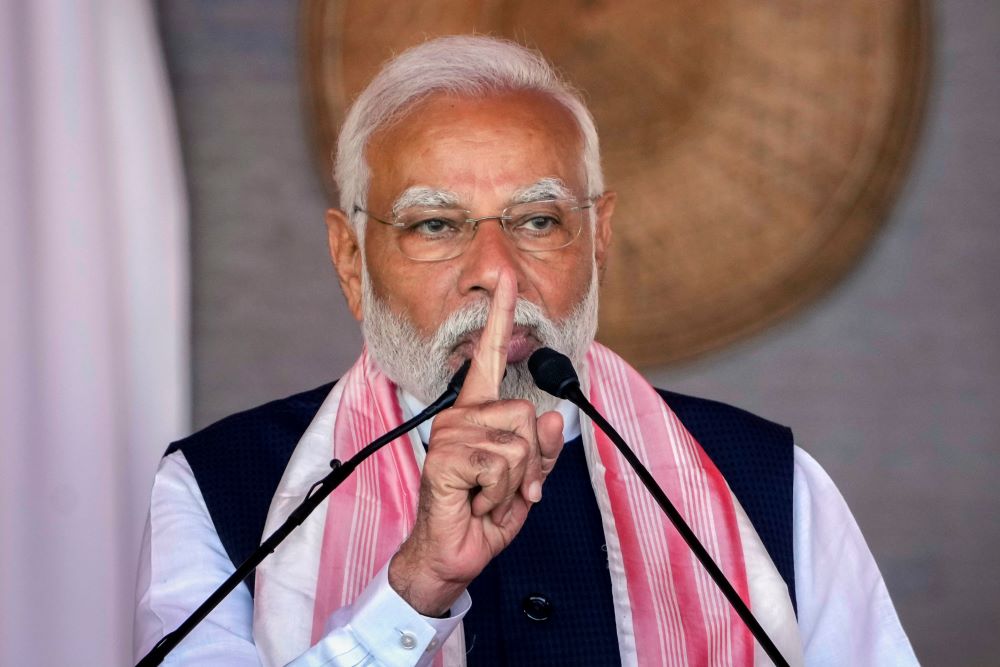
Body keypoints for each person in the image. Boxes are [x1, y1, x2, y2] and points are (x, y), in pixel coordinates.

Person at [134, 36, 918, 666]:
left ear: (598, 238)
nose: (497, 275)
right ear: (350, 259)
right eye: (435, 225)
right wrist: (412, 593)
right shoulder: (218, 489)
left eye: (538, 220)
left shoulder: (770, 483)